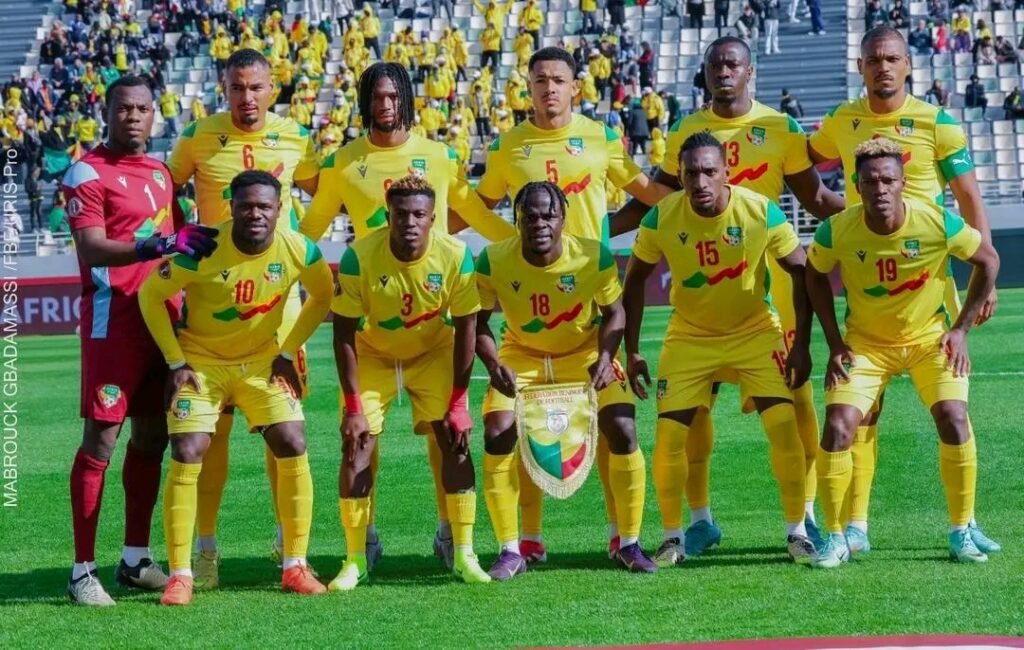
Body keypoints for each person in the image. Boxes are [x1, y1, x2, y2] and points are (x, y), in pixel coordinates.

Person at [611, 36, 844, 561]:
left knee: (794, 410)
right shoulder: (684, 133)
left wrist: (866, 221)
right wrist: (587, 237)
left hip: (767, 292)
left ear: (749, 71)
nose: (723, 71)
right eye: (714, 63)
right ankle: (695, 523)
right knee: (691, 419)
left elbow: (814, 198)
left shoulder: (781, 129)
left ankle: (803, 517)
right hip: (698, 301)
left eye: (733, 63)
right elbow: (651, 203)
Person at [300, 62, 515, 570]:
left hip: (430, 327)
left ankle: (450, 535)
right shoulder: (344, 161)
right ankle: (365, 541)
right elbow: (309, 229)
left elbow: (477, 216)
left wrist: (525, 248)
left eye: (393, 95)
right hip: (372, 320)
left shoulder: (438, 156)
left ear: (407, 99)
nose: (385, 104)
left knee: (449, 435)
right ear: (363, 100)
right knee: (359, 438)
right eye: (376, 96)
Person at [474, 47, 673, 560]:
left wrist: (606, 233)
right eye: (540, 80)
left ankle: (622, 536)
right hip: (530, 306)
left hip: (590, 300)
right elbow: (477, 206)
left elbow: (647, 194)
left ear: (575, 88)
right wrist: (511, 246)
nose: (549, 88)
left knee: (614, 427)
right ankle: (526, 540)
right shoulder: (508, 146)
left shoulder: (601, 137)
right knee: (518, 429)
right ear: (528, 88)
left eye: (558, 80)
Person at [809, 26, 999, 555]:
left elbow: (968, 196)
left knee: (950, 410)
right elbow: (801, 163)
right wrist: (828, 209)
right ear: (861, 66)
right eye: (874, 59)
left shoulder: (937, 123)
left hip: (927, 279)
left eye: (892, 58)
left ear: (908, 65)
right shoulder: (842, 120)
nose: (883, 67)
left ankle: (964, 523)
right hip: (866, 275)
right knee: (861, 415)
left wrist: (980, 287)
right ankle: (853, 526)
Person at [139, 170, 334, 606]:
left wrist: (289, 351)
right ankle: (182, 573)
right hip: (202, 365)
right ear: (232, 208)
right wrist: (175, 361)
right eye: (246, 206)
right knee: (188, 448)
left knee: (293, 440)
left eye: (265, 206)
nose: (255, 214)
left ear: (280, 209)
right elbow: (150, 295)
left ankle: (295, 565)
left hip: (262, 364)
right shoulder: (203, 247)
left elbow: (324, 296)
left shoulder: (300, 248)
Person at [623, 132, 817, 566]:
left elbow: (802, 271)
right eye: (691, 173)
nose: (700, 182)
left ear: (726, 171)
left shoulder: (759, 210)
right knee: (670, 435)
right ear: (679, 176)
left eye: (709, 171)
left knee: (783, 425)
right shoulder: (660, 218)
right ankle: (673, 536)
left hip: (755, 331)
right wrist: (631, 351)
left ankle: (798, 531)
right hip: (690, 336)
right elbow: (633, 281)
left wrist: (800, 343)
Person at [166, 48, 322, 588]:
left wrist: (299, 243)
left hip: (279, 306)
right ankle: (205, 548)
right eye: (237, 88)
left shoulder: (296, 136)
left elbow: (322, 194)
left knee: (282, 427)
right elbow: (166, 191)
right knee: (213, 436)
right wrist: (179, 238)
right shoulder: (197, 136)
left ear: (272, 88)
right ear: (224, 89)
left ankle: (287, 542)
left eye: (256, 87)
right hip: (213, 300)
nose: (247, 97)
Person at [63, 75, 219, 606]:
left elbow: (181, 244)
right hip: (114, 326)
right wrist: (154, 244)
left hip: (162, 324)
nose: (134, 116)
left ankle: (134, 559)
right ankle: (82, 571)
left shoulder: (160, 173)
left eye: (143, 108)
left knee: (152, 438)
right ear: (107, 113)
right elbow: (91, 247)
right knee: (101, 441)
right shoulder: (86, 170)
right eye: (124, 108)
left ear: (155, 114)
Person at [477, 181, 657, 579]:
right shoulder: (493, 260)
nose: (539, 223)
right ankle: (512, 549)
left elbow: (615, 312)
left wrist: (606, 358)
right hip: (522, 357)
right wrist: (493, 364)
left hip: (584, 355)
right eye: (530, 217)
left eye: (549, 216)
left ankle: (628, 542)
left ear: (563, 219)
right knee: (497, 432)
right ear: (517, 220)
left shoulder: (593, 256)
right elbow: (477, 322)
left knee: (623, 427)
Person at [329, 176, 491, 589]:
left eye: (420, 214)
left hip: (432, 352)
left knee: (454, 438)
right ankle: (356, 557)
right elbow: (343, 334)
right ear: (388, 216)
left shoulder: (456, 255)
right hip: (373, 354)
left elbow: (468, 328)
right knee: (357, 444)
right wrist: (353, 408)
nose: (410, 222)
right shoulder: (359, 257)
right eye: (401, 214)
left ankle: (462, 551)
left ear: (434, 218)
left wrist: (459, 403)